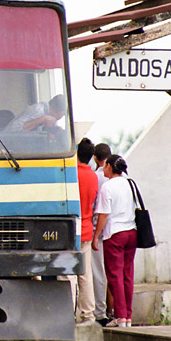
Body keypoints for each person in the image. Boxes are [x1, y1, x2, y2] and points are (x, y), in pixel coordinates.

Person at [93, 154, 137, 328]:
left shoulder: (107, 187)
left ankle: (119, 316)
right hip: (132, 232)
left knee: (114, 275)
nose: (103, 169)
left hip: (115, 234)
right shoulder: (130, 184)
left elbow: (103, 215)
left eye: (105, 167)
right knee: (128, 275)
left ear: (110, 167)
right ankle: (128, 316)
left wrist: (96, 236)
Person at [73, 137, 99, 322]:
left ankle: (69, 312)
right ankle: (88, 314)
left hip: (70, 230)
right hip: (87, 230)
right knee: (85, 273)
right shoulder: (93, 177)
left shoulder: (71, 174)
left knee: (67, 274)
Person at [92, 142, 112, 324]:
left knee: (98, 273)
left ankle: (100, 312)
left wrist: (95, 233)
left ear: (95, 158)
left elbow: (97, 210)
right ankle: (119, 312)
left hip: (99, 231)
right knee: (114, 272)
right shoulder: (123, 178)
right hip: (116, 231)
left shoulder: (96, 177)